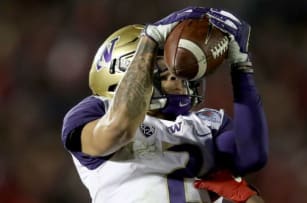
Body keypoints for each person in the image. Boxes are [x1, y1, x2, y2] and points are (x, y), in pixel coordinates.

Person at [61, 6, 268, 203]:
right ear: (121, 68)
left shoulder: (208, 124)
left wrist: (241, 66)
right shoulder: (95, 110)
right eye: (162, 68)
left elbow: (251, 157)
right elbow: (119, 130)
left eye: (177, 68)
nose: (176, 77)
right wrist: (149, 41)